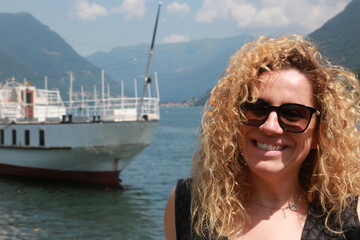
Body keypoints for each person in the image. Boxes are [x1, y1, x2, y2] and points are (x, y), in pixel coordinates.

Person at [164, 34, 360, 240]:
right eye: (256, 108)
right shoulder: (188, 204)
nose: (270, 126)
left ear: (319, 134)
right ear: (233, 121)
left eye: (293, 113)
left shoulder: (349, 217)